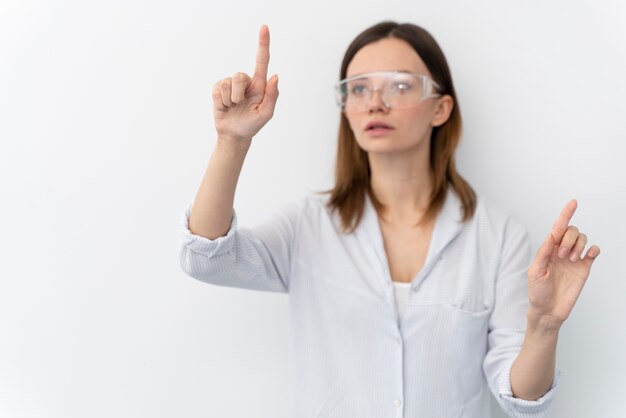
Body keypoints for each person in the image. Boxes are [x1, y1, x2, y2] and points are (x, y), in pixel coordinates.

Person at [179, 21, 600, 418]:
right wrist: (231, 141)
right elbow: (207, 258)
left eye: (400, 85)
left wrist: (544, 326)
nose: (375, 102)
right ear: (347, 109)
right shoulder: (309, 226)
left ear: (441, 108)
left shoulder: (497, 234)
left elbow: (520, 397)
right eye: (359, 88)